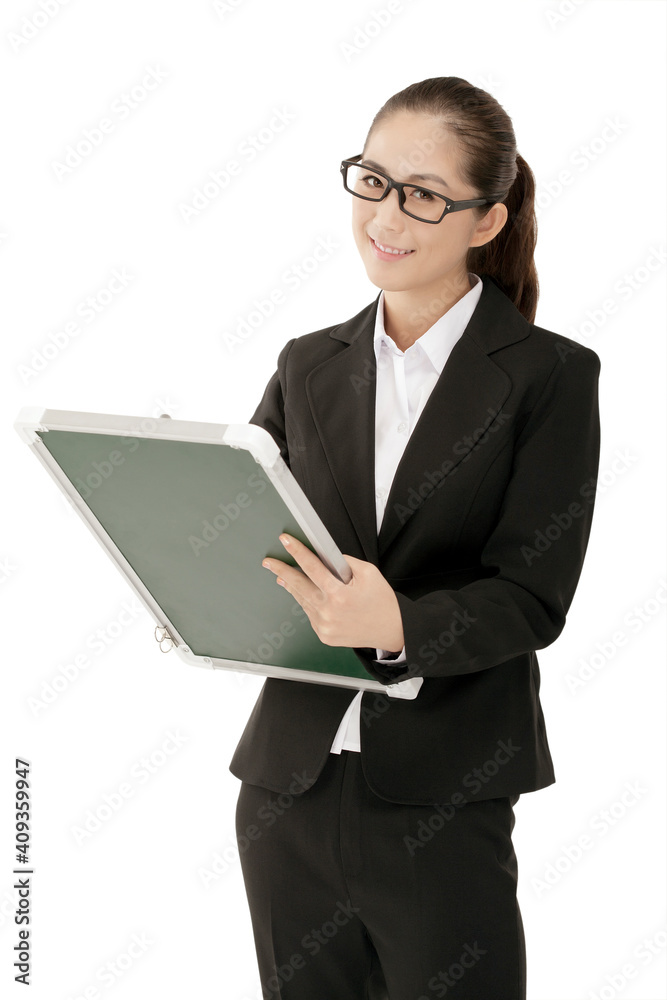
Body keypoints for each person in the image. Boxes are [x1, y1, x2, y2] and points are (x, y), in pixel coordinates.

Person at [229, 76, 602, 1000]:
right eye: (372, 179)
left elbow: (533, 596)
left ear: (485, 219)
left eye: (424, 194)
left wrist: (395, 623)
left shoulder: (546, 376)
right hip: (288, 787)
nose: (387, 216)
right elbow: (252, 534)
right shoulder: (307, 362)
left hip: (444, 789)